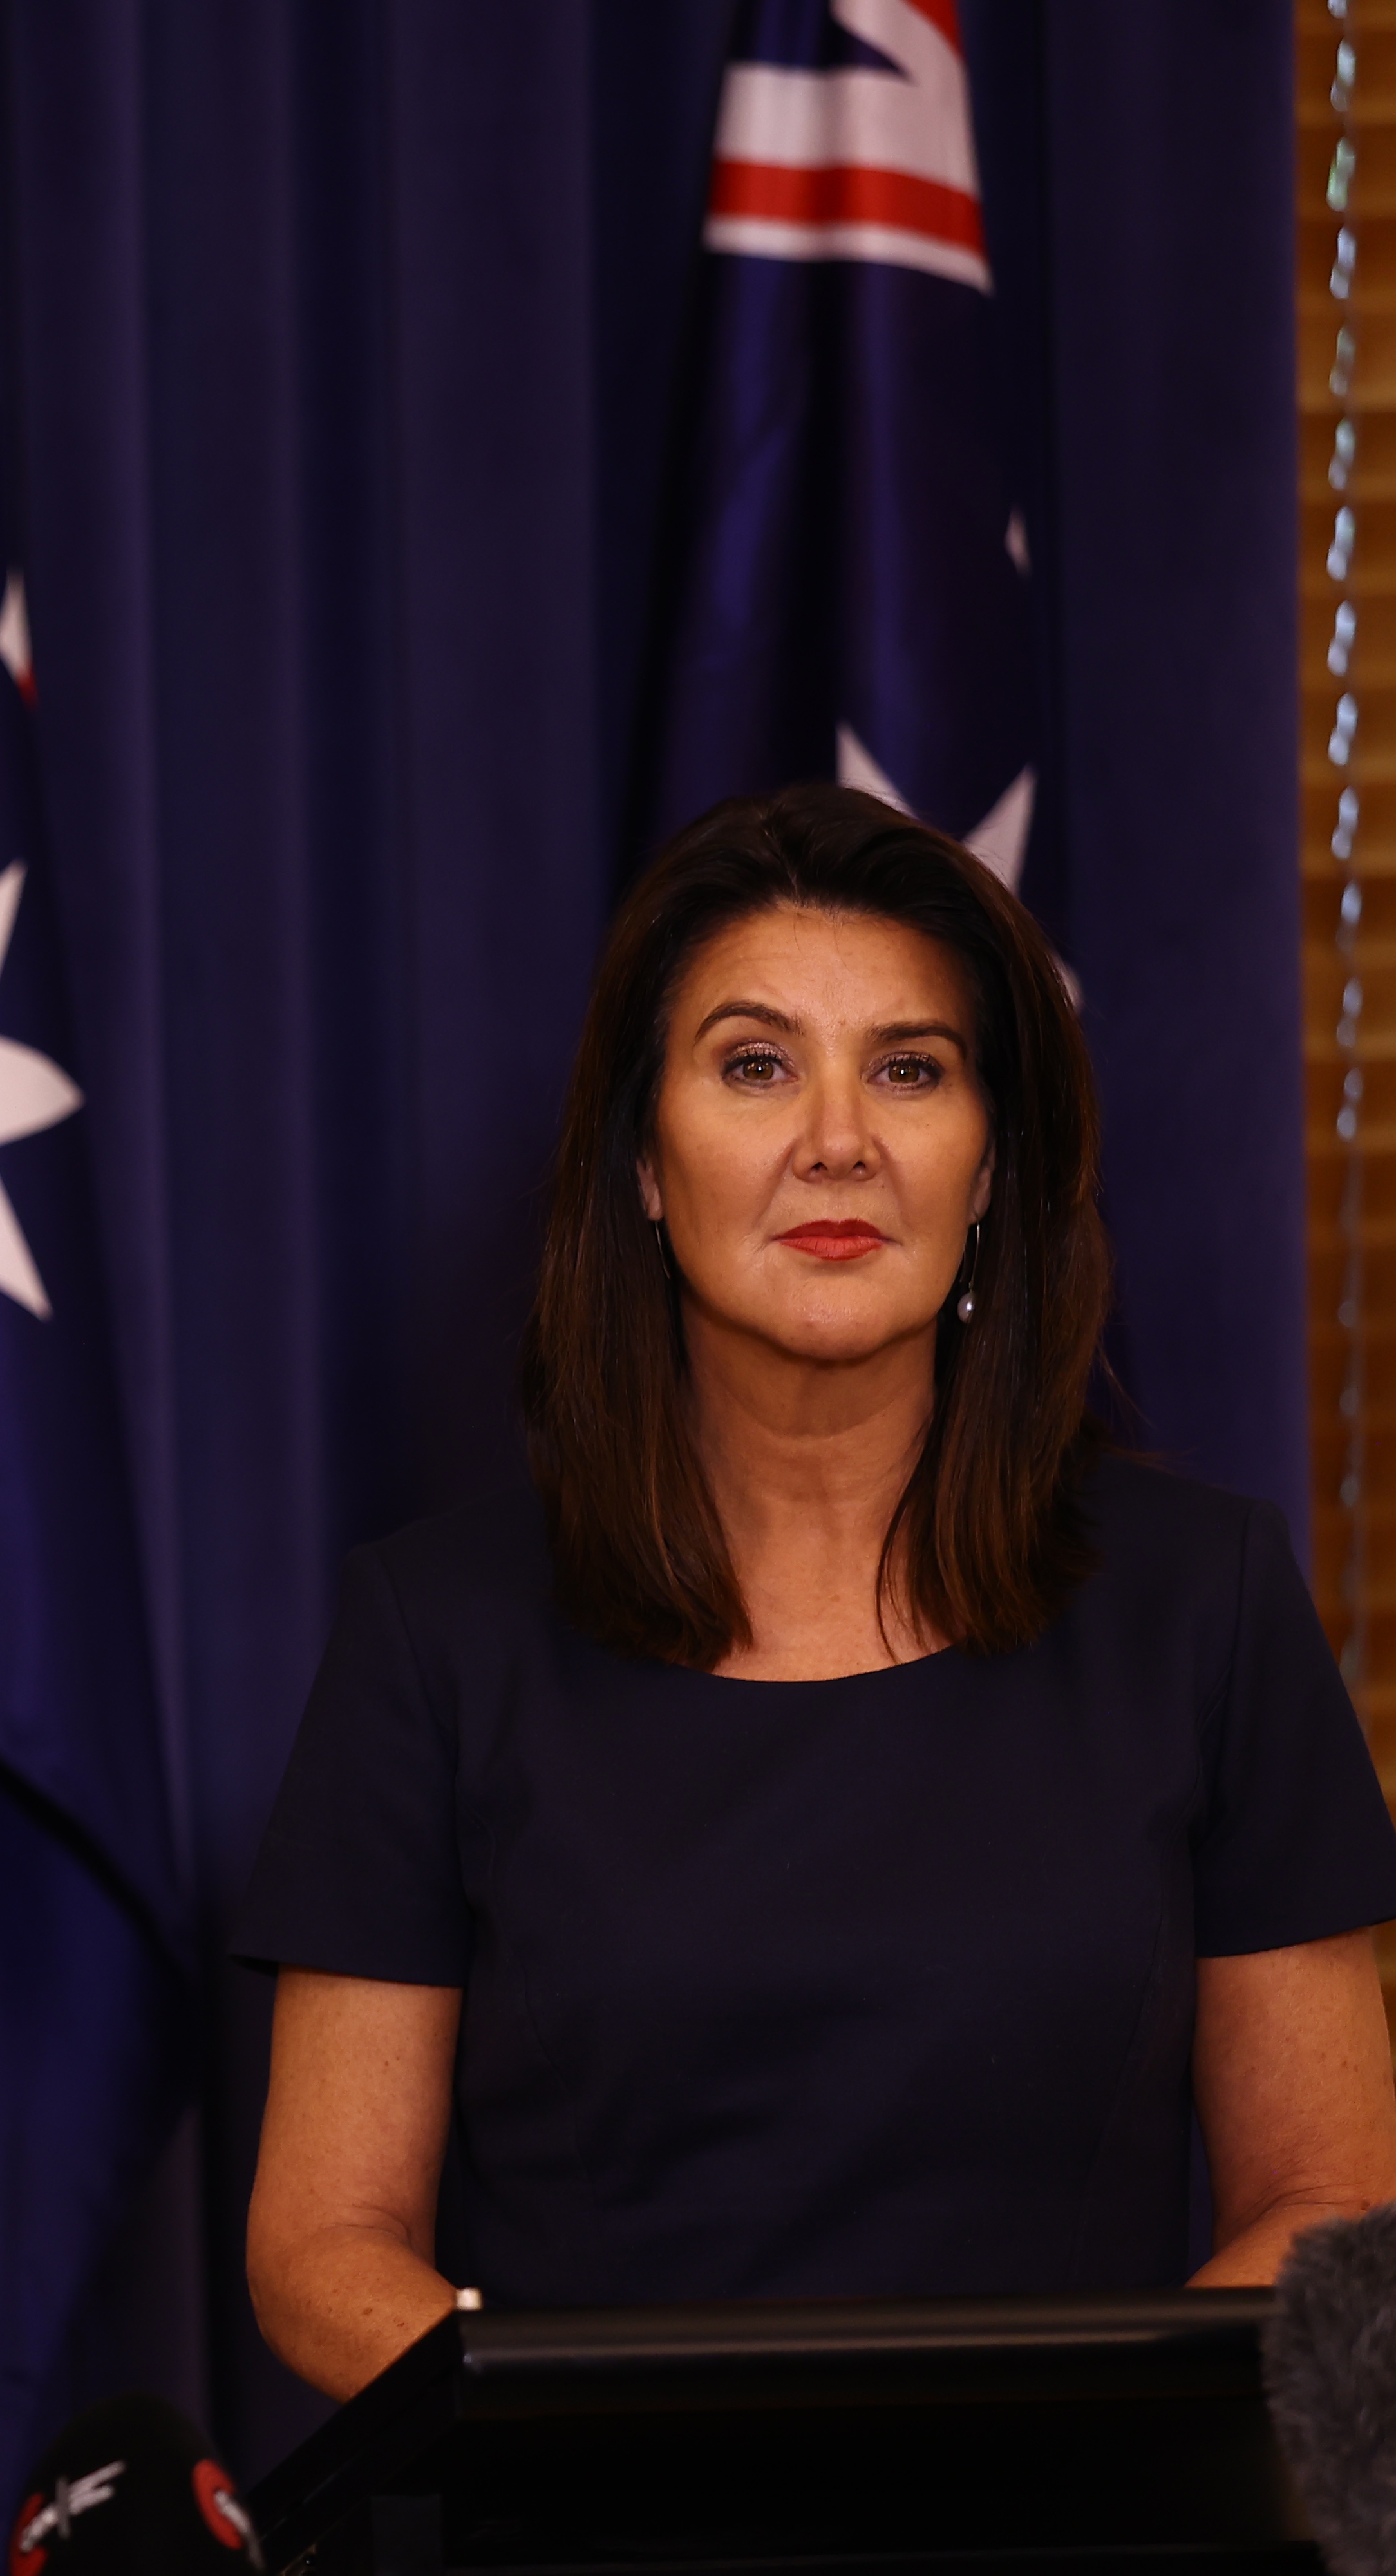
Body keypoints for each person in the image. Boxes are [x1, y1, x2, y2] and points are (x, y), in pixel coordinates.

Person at [236, 784, 1396, 2401]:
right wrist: (635, 2463)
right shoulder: (436, 1637)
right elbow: (323, 2245)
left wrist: (1056, 2464)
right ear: (645, 1157)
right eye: (756, 1062)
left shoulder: (1207, 1606)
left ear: (990, 1168)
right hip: (592, 2537)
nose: (837, 1138)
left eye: (910, 1068)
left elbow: (1330, 2205)